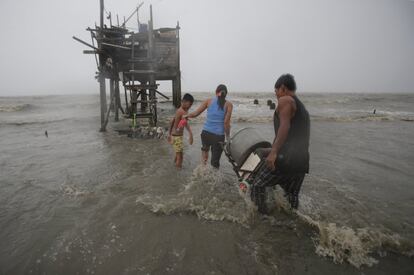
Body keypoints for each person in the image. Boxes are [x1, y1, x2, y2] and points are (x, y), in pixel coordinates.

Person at [251, 74, 310, 213]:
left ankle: (263, 218)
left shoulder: (285, 100)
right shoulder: (303, 109)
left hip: (285, 159)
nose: (276, 95)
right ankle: (293, 223)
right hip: (301, 162)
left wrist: (273, 152)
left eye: (276, 91)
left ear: (282, 88)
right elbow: (294, 135)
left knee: (257, 185)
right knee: (291, 197)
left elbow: (284, 126)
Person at [186, 84, 233, 169]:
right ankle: (212, 181)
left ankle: (201, 174)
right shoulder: (229, 105)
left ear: (216, 92)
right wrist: (228, 138)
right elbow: (226, 123)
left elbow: (195, 114)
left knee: (204, 159)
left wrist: (186, 116)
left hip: (205, 134)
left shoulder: (208, 101)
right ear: (226, 94)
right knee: (215, 164)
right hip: (218, 137)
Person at [168, 93, 194, 169]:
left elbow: (172, 121)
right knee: (180, 157)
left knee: (177, 154)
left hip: (175, 136)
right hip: (177, 137)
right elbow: (185, 124)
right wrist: (191, 134)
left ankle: (174, 167)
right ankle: (177, 172)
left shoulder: (179, 110)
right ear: (184, 101)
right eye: (190, 104)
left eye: (191, 105)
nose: (190, 106)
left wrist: (169, 134)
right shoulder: (183, 112)